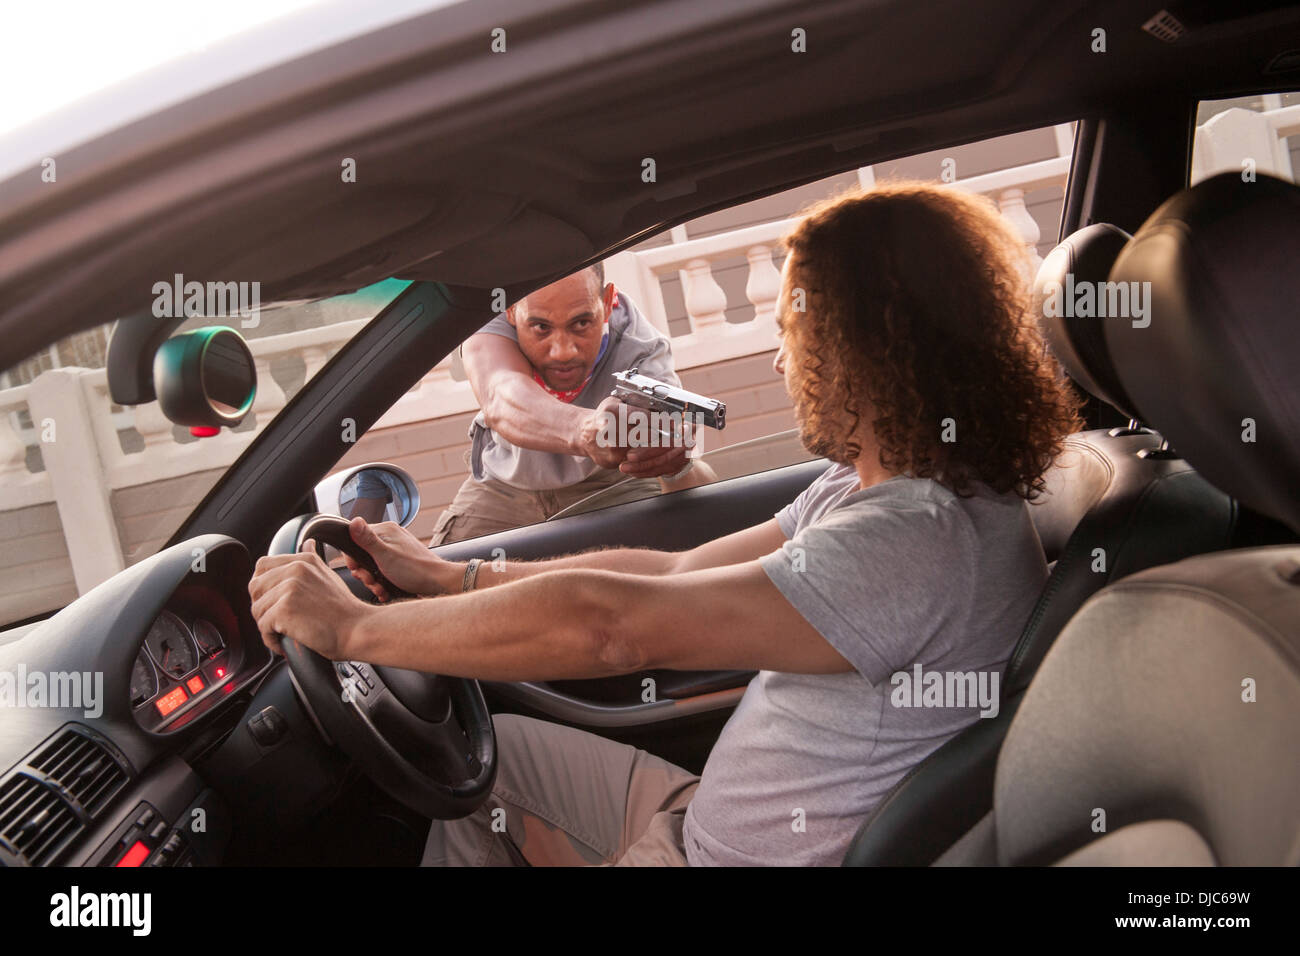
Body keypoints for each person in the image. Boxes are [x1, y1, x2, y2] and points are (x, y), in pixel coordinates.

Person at [249, 180, 1082, 866]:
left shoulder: (913, 538)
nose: (781, 361)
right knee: (502, 759)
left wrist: (354, 629)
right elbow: (674, 575)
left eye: (799, 334)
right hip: (697, 823)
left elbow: (617, 630)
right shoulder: (884, 487)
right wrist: (450, 576)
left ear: (869, 350)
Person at [430, 263, 714, 545]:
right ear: (511, 310)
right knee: (428, 581)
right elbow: (501, 398)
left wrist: (672, 460)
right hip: (502, 487)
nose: (563, 352)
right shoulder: (493, 318)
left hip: (611, 484)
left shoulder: (642, 350)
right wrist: (587, 430)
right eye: (541, 327)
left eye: (581, 324)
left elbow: (696, 490)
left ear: (607, 301)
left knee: (664, 564)